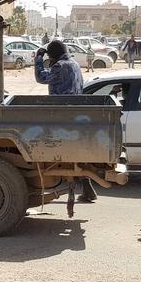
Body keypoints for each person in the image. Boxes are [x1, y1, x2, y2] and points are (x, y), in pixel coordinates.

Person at [34, 41, 96, 202]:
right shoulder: (74, 63)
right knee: (74, 155)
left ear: (53, 55)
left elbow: (41, 77)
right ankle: (87, 189)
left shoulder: (60, 66)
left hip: (62, 115)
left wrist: (38, 58)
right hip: (74, 113)